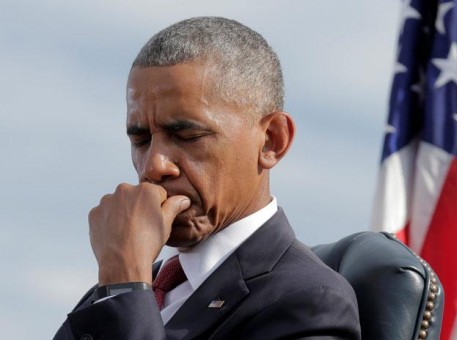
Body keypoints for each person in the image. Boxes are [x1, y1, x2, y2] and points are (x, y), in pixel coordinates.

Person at [54, 16, 361, 340]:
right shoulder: (117, 292)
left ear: (272, 140)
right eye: (141, 140)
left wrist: (124, 286)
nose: (154, 166)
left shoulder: (310, 302)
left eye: (187, 135)